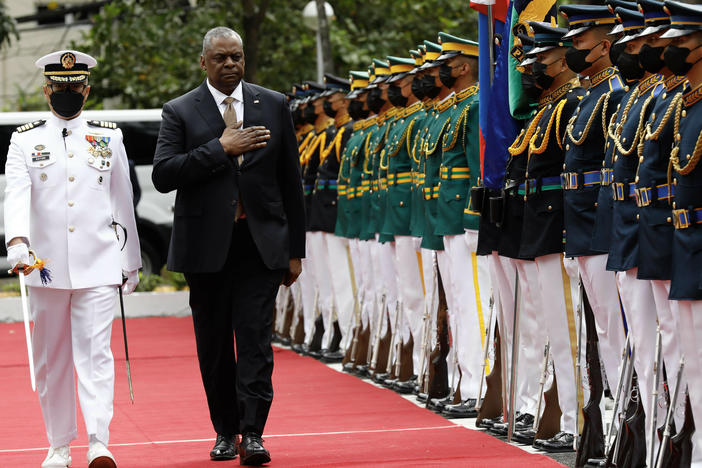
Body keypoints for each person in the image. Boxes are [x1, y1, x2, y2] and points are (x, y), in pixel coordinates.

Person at [151, 27, 305, 465]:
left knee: (255, 340)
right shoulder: (179, 111)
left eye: (236, 56)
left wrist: (295, 250)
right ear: (203, 62)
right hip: (206, 248)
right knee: (214, 344)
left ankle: (253, 432)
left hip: (260, 245)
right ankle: (225, 430)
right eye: (220, 58)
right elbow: (164, 174)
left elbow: (290, 181)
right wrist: (219, 148)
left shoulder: (273, 104)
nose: (230, 65)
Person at [3, 49, 141, 468]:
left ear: (87, 89)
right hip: (43, 269)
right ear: (47, 91)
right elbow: (15, 194)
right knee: (51, 360)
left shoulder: (109, 137)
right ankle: (59, 446)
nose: (67, 93)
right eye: (59, 87)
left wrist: (130, 261)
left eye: (74, 87)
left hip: (98, 265)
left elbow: (123, 203)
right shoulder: (25, 139)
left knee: (96, 354)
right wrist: (17, 241)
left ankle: (99, 441)